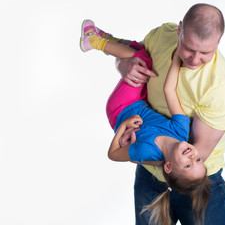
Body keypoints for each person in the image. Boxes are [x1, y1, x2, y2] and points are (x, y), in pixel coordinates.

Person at [115, 3, 225, 224]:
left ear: (218, 42)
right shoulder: (162, 36)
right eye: (189, 48)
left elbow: (194, 153)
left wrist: (138, 151)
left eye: (205, 53)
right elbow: (132, 53)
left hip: (197, 183)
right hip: (150, 176)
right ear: (180, 29)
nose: (194, 59)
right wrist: (123, 63)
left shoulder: (221, 87)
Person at [80, 19, 211, 225]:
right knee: (141, 50)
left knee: (142, 59)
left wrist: (123, 126)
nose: (192, 157)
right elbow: (169, 90)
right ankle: (103, 36)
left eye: (187, 165)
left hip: (120, 108)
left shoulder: (145, 152)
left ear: (168, 167)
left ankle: (94, 42)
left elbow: (113, 154)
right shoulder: (181, 130)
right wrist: (177, 57)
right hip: (139, 99)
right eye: (198, 161)